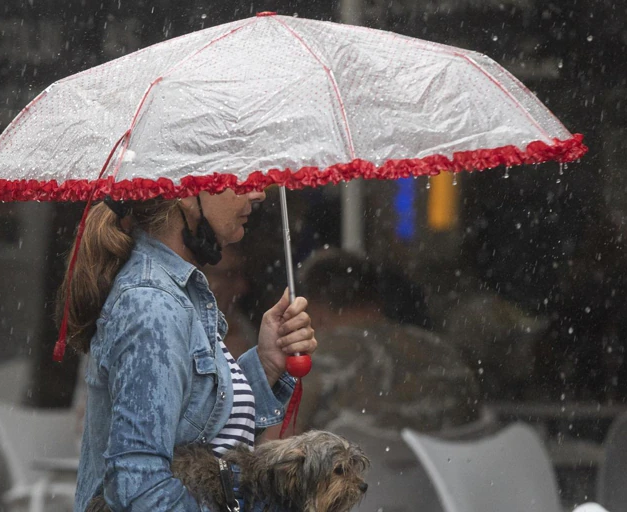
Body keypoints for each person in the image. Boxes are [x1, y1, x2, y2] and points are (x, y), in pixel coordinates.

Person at [63, 188, 318, 511]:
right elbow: (138, 487)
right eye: (237, 175)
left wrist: (265, 365)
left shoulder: (180, 295)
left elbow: (212, 444)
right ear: (187, 192)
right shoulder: (152, 304)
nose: (256, 193)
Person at [293, 249, 479, 434]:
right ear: (377, 300)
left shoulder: (320, 357)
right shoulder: (442, 351)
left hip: (356, 461)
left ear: (315, 309)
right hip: (442, 462)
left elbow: (278, 445)